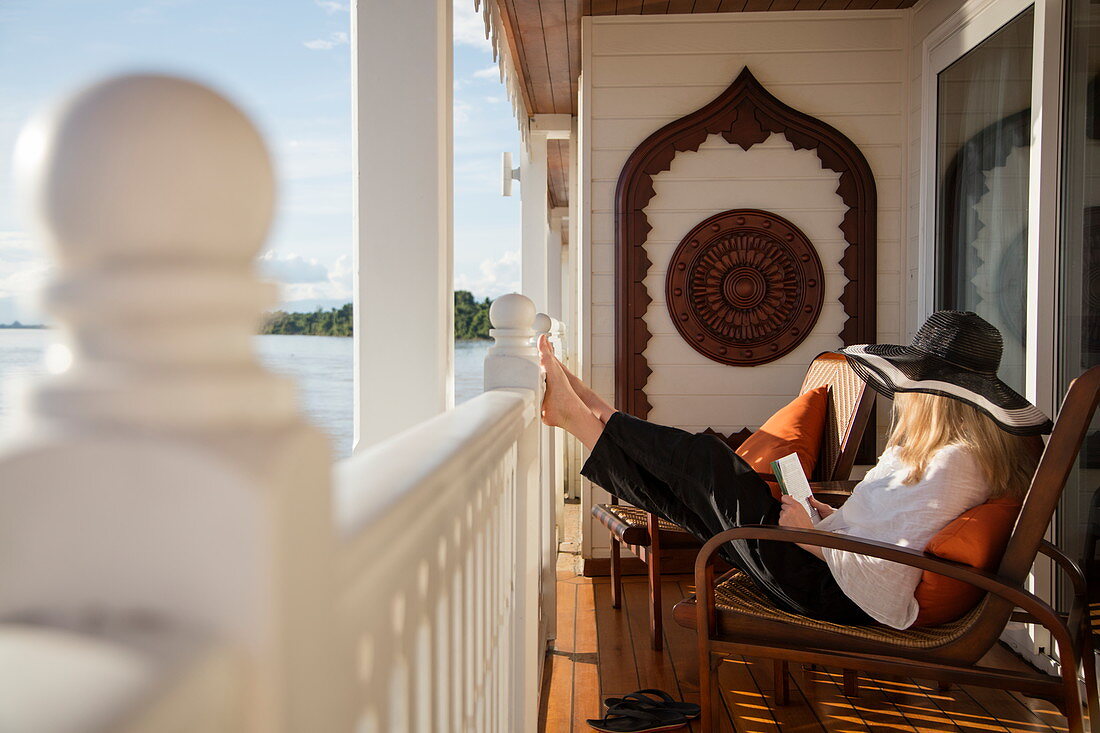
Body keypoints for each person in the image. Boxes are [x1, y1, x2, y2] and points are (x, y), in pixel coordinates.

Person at [539, 311, 1051, 629]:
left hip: (839, 595)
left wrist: (811, 537)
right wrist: (824, 517)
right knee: (698, 501)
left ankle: (594, 418)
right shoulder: (934, 449)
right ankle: (591, 419)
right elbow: (889, 532)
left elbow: (892, 578)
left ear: (934, 392)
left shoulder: (954, 463)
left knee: (711, 462)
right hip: (829, 566)